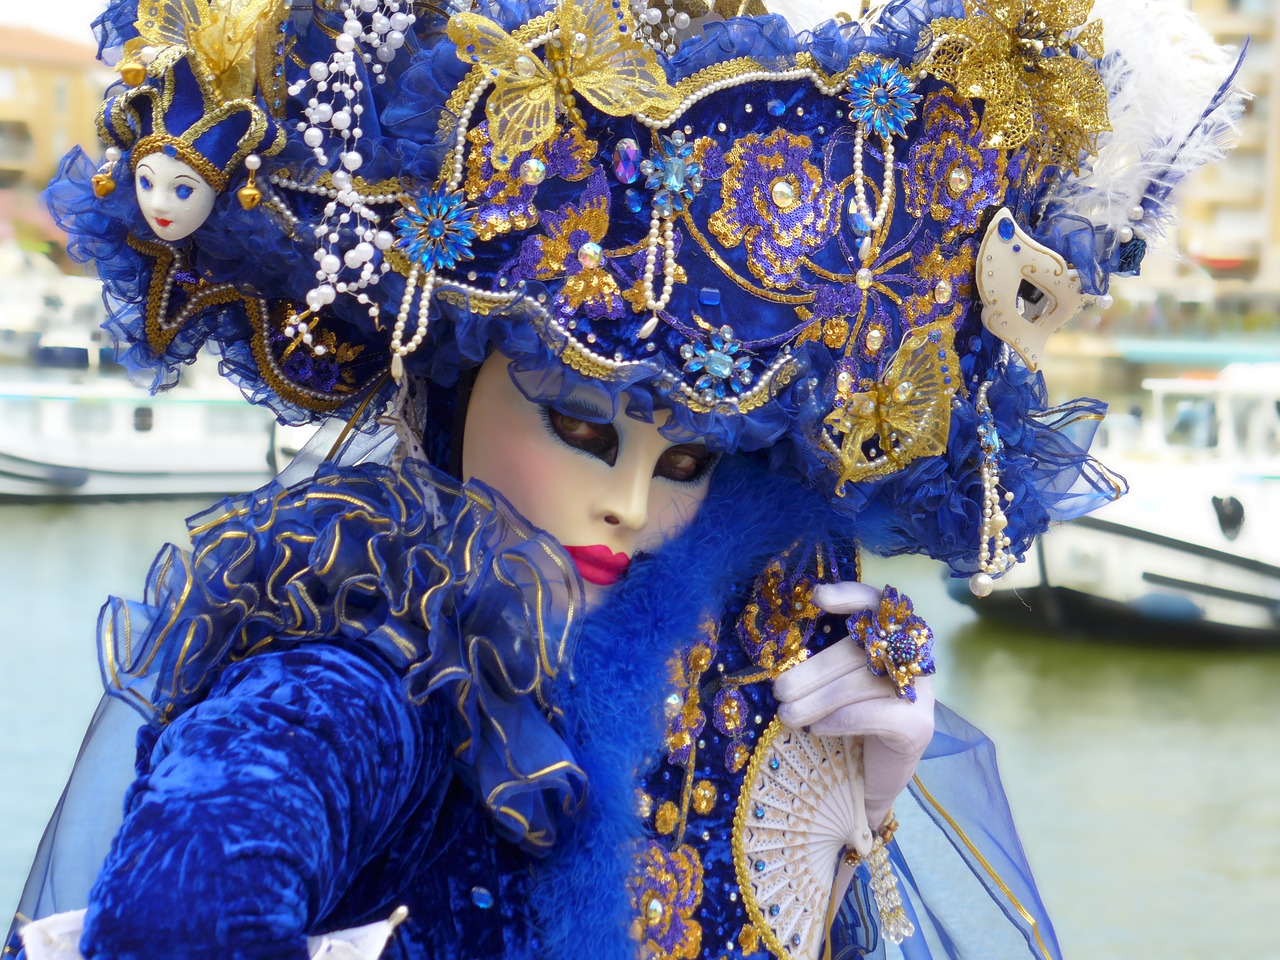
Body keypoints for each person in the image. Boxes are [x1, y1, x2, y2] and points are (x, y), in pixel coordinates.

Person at [7, 0, 1243, 957]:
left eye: (689, 459)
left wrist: (852, 811)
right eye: (581, 428)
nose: (632, 506)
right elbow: (200, 881)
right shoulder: (372, 665)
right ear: (455, 382)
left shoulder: (729, 619)